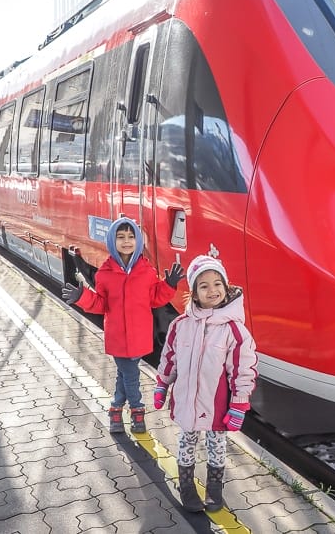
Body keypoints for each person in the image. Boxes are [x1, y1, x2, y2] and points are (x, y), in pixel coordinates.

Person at [153, 254, 258, 513]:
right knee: (186, 441)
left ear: (226, 287)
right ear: (194, 294)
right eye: (204, 285)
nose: (212, 290)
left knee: (216, 445)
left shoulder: (235, 330)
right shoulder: (181, 325)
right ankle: (187, 487)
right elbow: (169, 357)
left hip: (216, 404)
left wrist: (239, 405)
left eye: (217, 283)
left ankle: (214, 489)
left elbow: (243, 370)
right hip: (187, 401)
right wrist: (161, 384)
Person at [62, 216, 184, 433]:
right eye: (121, 237)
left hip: (139, 337)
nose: (126, 241)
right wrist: (83, 296)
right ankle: (137, 411)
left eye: (131, 237)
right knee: (131, 376)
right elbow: (101, 304)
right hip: (118, 337)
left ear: (138, 241)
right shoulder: (105, 274)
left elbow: (155, 298)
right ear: (112, 241)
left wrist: (169, 285)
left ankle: (115, 409)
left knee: (124, 375)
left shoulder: (146, 271)